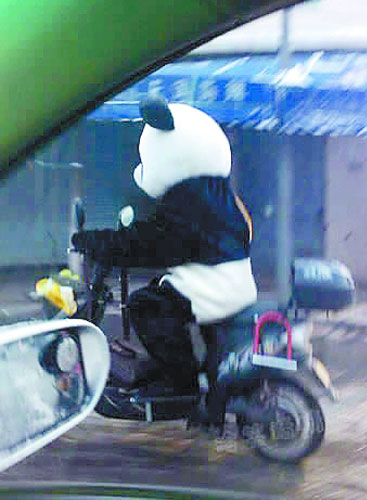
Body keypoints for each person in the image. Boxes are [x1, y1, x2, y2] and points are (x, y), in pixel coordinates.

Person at [72, 95, 257, 419]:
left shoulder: (191, 198)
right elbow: (168, 239)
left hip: (216, 287)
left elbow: (151, 243)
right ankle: (204, 397)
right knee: (163, 290)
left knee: (147, 305)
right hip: (229, 281)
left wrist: (97, 242)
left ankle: (179, 385)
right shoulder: (216, 193)